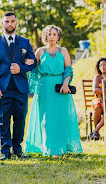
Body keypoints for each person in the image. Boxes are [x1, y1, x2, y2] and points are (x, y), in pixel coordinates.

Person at [0, 12, 37, 160]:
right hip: (2, 88)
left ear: (16, 23)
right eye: (7, 21)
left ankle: (18, 149)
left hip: (20, 88)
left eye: (12, 21)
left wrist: (21, 68)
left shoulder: (25, 42)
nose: (9, 24)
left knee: (20, 119)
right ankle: (5, 150)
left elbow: (33, 62)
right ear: (2, 24)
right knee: (3, 119)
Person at [24, 25, 82, 156]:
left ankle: (61, 147)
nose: (52, 37)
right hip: (44, 88)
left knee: (60, 118)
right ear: (46, 36)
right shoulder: (40, 51)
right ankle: (49, 148)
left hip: (60, 88)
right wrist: (26, 62)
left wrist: (66, 83)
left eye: (54, 34)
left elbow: (68, 69)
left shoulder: (63, 51)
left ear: (58, 36)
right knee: (46, 120)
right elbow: (32, 68)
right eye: (49, 34)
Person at [90, 58, 106, 140]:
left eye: (104, 65)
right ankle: (96, 132)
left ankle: (95, 130)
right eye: (100, 65)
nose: (102, 67)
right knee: (98, 105)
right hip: (98, 99)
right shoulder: (97, 78)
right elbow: (95, 90)